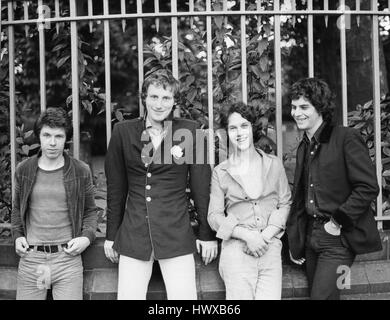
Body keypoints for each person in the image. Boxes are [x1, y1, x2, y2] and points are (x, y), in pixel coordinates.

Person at [104, 69, 218, 300]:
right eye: (153, 96)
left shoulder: (190, 131)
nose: (159, 104)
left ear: (174, 101)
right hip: (134, 234)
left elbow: (201, 188)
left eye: (166, 98)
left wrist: (206, 234)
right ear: (144, 97)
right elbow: (116, 189)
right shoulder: (122, 132)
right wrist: (110, 235)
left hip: (175, 233)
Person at [286, 77, 382, 300]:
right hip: (311, 237)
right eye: (293, 107)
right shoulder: (304, 146)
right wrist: (296, 241)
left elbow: (368, 187)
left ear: (319, 107)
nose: (296, 113)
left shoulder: (346, 138)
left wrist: (337, 222)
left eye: (303, 107)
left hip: (338, 238)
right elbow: (300, 199)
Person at [11, 107, 97, 300]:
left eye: (58, 136)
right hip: (32, 259)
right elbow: (17, 209)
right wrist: (17, 236)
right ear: (39, 136)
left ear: (65, 138)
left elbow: (91, 211)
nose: (52, 142)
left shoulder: (80, 170)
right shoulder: (24, 169)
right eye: (46, 135)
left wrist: (86, 237)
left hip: (67, 259)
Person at [207, 102, 291, 300]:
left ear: (253, 128)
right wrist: (246, 235)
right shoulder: (221, 172)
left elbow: (285, 203)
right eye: (233, 128)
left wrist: (264, 236)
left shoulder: (274, 164)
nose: (239, 132)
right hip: (237, 251)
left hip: (269, 247)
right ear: (226, 132)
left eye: (244, 126)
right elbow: (214, 216)